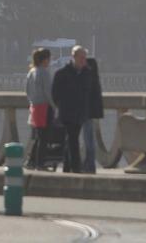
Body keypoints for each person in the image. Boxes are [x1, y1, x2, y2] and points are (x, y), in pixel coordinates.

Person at [51, 44, 92, 173]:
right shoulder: (62, 74)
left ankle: (67, 166)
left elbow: (90, 93)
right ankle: (76, 167)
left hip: (80, 113)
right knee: (73, 138)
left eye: (85, 58)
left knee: (70, 139)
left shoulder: (87, 74)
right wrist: (62, 105)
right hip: (67, 113)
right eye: (81, 58)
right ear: (73, 57)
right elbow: (55, 94)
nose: (83, 60)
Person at [25, 48, 54, 170]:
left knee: (38, 135)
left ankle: (31, 161)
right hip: (44, 107)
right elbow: (48, 92)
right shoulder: (44, 72)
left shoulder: (31, 72)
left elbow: (27, 91)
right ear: (45, 60)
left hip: (35, 107)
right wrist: (54, 106)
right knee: (44, 138)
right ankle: (40, 163)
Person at [81, 55, 104, 173]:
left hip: (85, 112)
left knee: (88, 139)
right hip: (91, 112)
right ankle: (89, 163)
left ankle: (89, 164)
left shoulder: (88, 78)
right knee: (89, 138)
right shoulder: (95, 79)